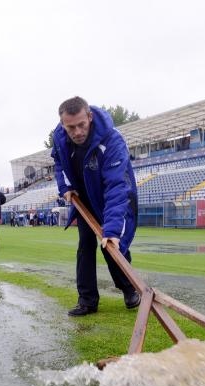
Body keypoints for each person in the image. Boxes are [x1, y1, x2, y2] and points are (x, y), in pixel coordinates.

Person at [50, 96, 140, 316]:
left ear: (89, 116)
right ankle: (87, 300)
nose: (78, 131)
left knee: (111, 243)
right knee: (85, 246)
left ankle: (130, 289)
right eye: (71, 127)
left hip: (108, 194)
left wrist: (111, 230)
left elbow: (118, 187)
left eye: (82, 124)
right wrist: (66, 187)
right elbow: (59, 162)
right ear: (63, 125)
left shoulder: (112, 141)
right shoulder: (60, 138)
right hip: (83, 199)